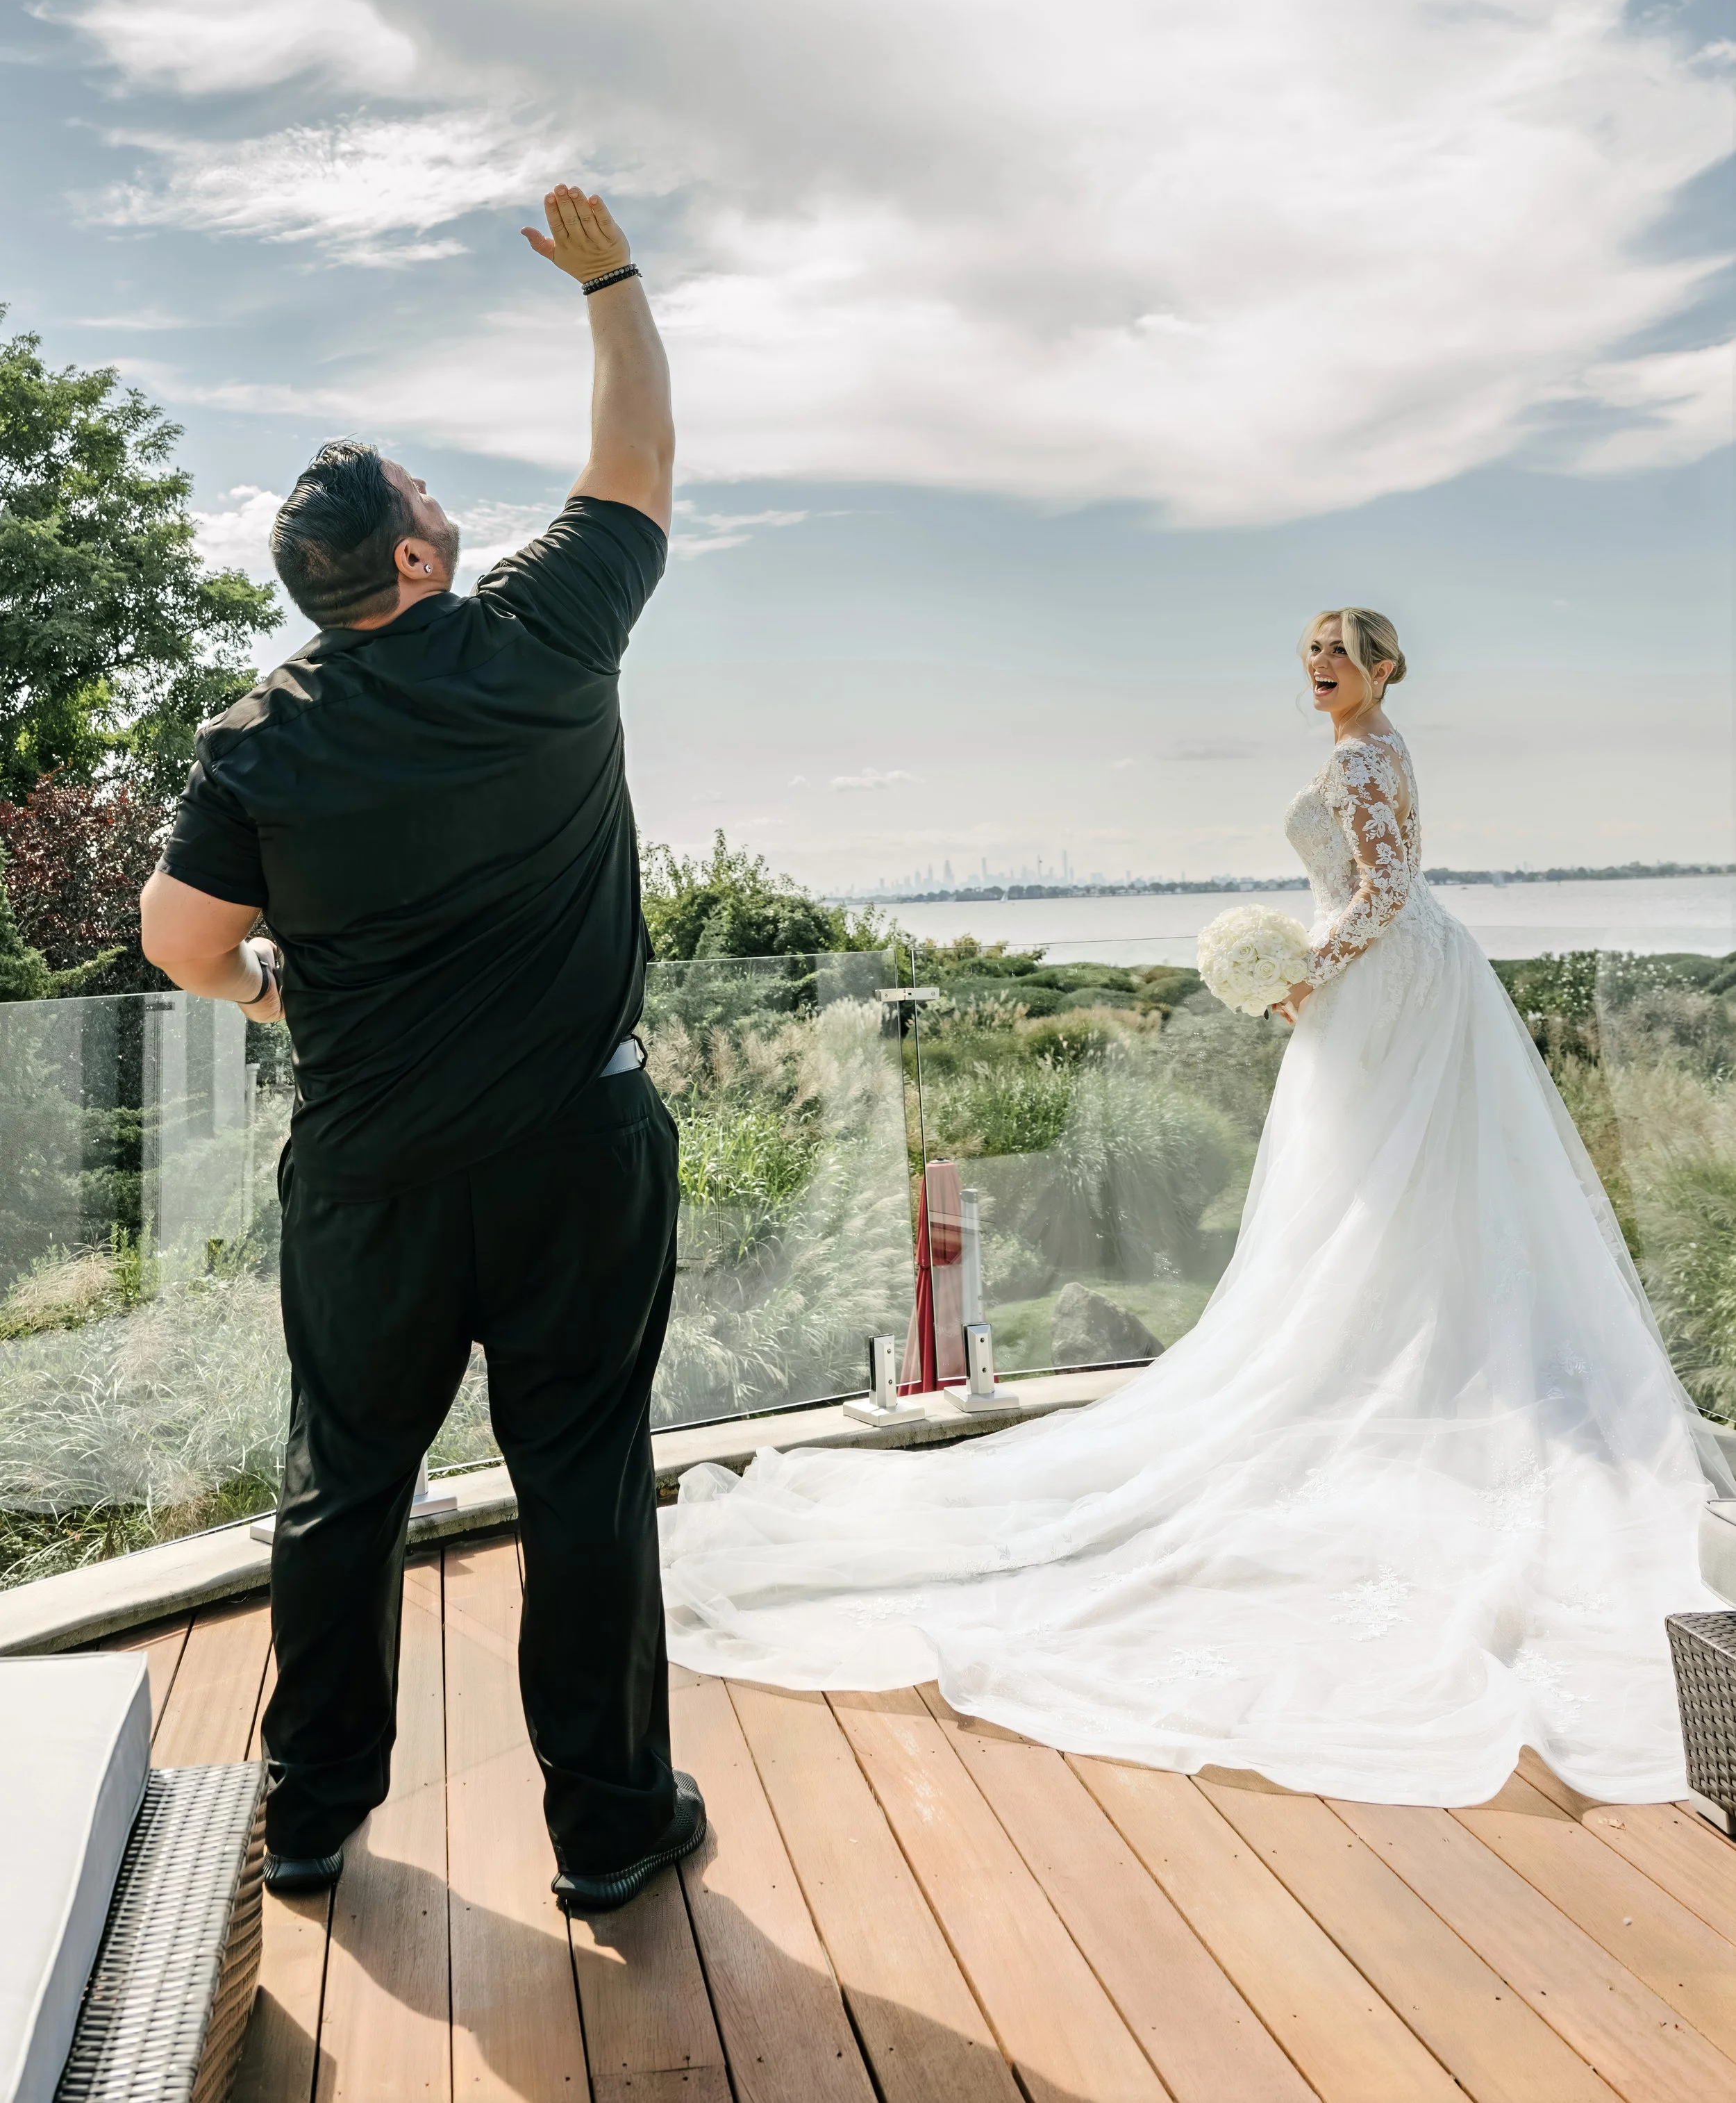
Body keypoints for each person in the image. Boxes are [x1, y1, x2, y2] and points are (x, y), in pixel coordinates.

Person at [662, 609, 1735, 1804]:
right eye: (1311, 651)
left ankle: (1393, 1379)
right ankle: (1396, 1369)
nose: (1318, 666)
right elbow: (1384, 888)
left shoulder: (1366, 756)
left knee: (1379, 1192)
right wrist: (1306, 968)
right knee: (1386, 1198)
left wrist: (1301, 972)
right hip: (1397, 982)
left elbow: (1383, 890)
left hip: (1384, 987)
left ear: (1383, 668)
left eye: (1340, 652)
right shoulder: (1372, 748)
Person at [140, 185, 706, 1914]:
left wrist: (277, 998)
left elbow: (179, 943)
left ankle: (310, 1815)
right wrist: (611, 283)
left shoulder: (261, 738)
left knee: (345, 1486)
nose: (443, 502)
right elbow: (634, 459)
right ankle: (607, 1831)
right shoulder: (544, 635)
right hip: (574, 1161)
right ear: (408, 560)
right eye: (423, 494)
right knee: (581, 1482)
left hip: (370, 1175)